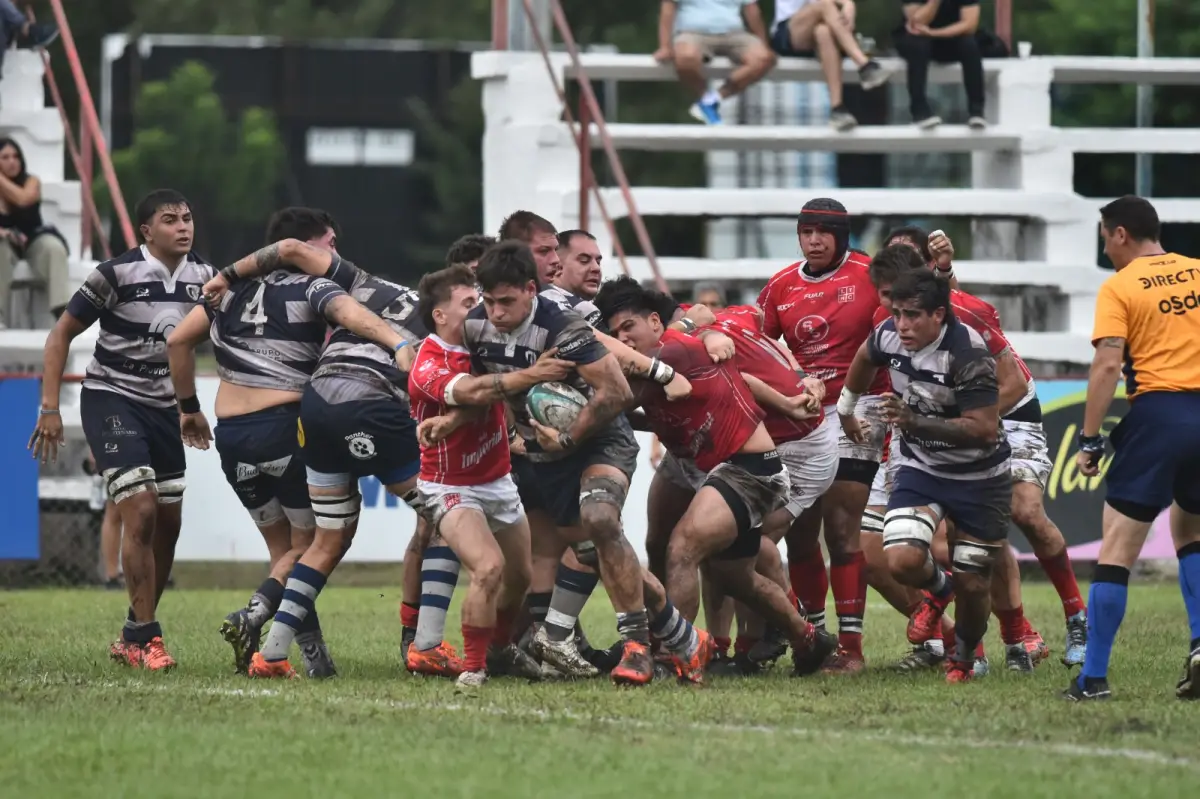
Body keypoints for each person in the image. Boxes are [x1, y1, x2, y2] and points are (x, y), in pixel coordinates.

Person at [167, 207, 395, 678]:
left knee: (285, 554)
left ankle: (312, 659)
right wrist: (398, 343)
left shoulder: (224, 294)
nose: (335, 251)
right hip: (285, 426)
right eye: (330, 242)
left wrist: (189, 408)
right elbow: (351, 313)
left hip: (232, 436)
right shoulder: (313, 286)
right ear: (308, 246)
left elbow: (177, 342)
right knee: (314, 545)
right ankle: (253, 614)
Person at [596, 277, 838, 682]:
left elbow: (621, 396)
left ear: (655, 322)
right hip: (725, 469)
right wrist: (786, 401)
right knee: (735, 575)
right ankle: (808, 638)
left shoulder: (670, 350)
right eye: (615, 333)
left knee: (682, 549)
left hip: (751, 469)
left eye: (628, 329)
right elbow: (738, 376)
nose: (625, 340)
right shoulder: (670, 358)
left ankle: (682, 654)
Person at [883, 226, 1088, 667]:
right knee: (957, 534)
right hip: (953, 423)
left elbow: (1012, 381)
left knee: (1025, 513)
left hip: (1007, 412)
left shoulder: (965, 311)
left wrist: (970, 423)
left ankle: (1075, 616)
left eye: (910, 262)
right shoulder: (891, 320)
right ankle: (990, 643)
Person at [29, 189, 212, 671]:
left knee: (168, 525)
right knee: (142, 509)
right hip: (112, 398)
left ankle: (133, 631)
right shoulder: (115, 273)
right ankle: (149, 638)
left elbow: (220, 343)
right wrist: (49, 406)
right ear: (146, 231)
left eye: (187, 217)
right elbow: (61, 334)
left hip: (165, 408)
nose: (182, 226)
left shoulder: (206, 279)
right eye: (170, 219)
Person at [462, 241, 656, 685]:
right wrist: (510, 431)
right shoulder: (475, 327)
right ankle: (671, 635)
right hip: (535, 454)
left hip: (599, 441)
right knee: (557, 553)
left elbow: (618, 394)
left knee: (600, 522)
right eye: (488, 301)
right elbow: (484, 387)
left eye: (506, 301)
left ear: (531, 290)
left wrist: (568, 435)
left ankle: (638, 649)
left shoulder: (564, 328)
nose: (496, 312)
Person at [840, 267, 1011, 683]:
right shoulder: (887, 334)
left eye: (913, 315)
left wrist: (914, 421)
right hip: (921, 466)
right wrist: (846, 407)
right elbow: (865, 357)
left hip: (980, 476)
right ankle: (940, 590)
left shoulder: (968, 353)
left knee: (975, 586)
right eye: (897, 313)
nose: (902, 325)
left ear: (939, 314)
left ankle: (966, 657)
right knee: (900, 558)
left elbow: (984, 429)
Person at [410, 265, 572, 690]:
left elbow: (495, 394)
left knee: (520, 576)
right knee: (488, 567)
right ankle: (473, 667)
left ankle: (500, 649)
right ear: (440, 316)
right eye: (469, 304)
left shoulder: (486, 345)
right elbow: (476, 392)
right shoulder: (427, 362)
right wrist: (535, 373)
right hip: (449, 485)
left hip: (498, 480)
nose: (482, 311)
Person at [1065, 196, 1200, 702]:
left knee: (1118, 545)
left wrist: (1089, 437)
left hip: (1160, 415)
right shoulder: (1197, 271)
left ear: (1121, 233)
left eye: (1104, 236)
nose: (1105, 247)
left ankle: (1092, 677)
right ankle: (1199, 645)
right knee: (1190, 527)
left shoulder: (1120, 286)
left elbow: (1106, 366)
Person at [756, 197, 886, 674]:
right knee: (801, 534)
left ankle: (851, 647)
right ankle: (813, 638)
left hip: (861, 407)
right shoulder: (780, 287)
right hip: (803, 413)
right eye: (806, 231)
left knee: (842, 526)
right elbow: (761, 347)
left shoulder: (869, 276)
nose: (813, 240)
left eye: (823, 232)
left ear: (842, 236)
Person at [770, 0, 889, 131]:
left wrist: (849, 4)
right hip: (787, 31)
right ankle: (864, 64)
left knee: (823, 32)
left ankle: (837, 109)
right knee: (824, 5)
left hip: (814, 31)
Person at [654, 0, 777, 125]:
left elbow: (752, 11)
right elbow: (668, 8)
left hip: (734, 32)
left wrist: (763, 44)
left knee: (763, 58)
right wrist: (665, 46)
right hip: (692, 32)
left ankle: (713, 99)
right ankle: (704, 96)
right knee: (685, 58)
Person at [0, 137, 71, 325]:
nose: (12, 161)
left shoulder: (31, 181)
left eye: (15, 156)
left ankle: (62, 313)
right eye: (5, 157)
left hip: (33, 238)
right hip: (6, 243)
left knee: (53, 247)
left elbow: (23, 199)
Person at [894, 0, 986, 129]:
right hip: (916, 38)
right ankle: (919, 110)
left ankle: (976, 111)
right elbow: (916, 23)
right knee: (919, 45)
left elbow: (969, 25)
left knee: (969, 45)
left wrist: (934, 33)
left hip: (950, 36)